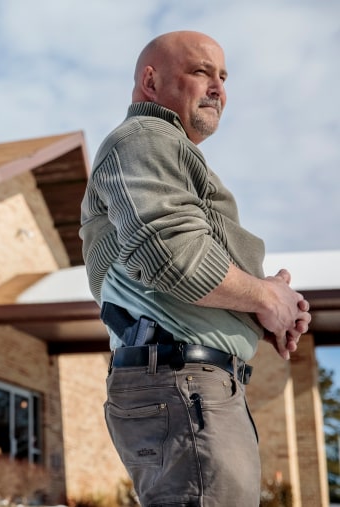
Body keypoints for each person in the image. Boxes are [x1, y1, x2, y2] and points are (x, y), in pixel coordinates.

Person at [79, 30, 311, 506]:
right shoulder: (145, 137)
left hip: (192, 388)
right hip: (184, 386)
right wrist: (266, 298)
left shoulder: (165, 151)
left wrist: (269, 308)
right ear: (150, 80)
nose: (218, 89)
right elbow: (169, 255)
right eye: (202, 71)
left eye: (223, 77)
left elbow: (181, 262)